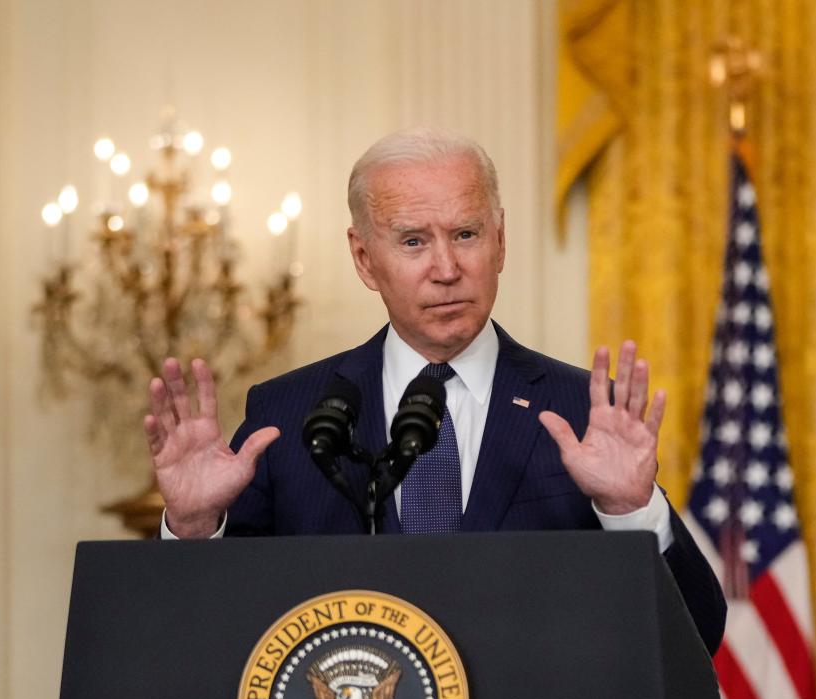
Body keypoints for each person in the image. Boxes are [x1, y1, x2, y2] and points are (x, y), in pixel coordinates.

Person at [144, 127, 726, 652]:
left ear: (500, 241)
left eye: (466, 233)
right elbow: (198, 640)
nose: (447, 268)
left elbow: (697, 634)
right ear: (364, 259)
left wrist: (630, 510)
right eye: (414, 242)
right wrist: (193, 529)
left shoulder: (582, 414)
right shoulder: (290, 416)